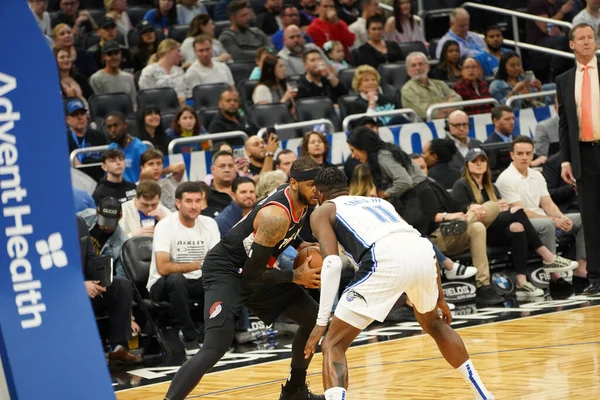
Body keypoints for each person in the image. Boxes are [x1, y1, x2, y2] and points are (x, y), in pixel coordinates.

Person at [303, 167, 495, 400]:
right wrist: (440, 299)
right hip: (423, 253)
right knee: (434, 324)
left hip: (383, 258)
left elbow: (332, 263)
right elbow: (417, 241)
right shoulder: (378, 203)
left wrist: (322, 321)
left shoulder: (322, 210)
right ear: (347, 187)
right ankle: (483, 394)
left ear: (320, 194)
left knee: (333, 343)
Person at [163, 157, 324, 400]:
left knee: (313, 318)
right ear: (293, 184)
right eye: (311, 184)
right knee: (215, 348)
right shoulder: (275, 216)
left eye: (318, 184)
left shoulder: (299, 201)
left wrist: (302, 243)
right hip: (227, 271)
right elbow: (251, 275)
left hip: (256, 269)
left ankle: (295, 392)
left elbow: (283, 236)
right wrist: (295, 276)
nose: (317, 190)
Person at [452, 148, 579, 298]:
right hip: (478, 230)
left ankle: (521, 281)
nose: (479, 164)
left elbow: (501, 210)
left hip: (497, 227)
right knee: (517, 211)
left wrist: (502, 207)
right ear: (467, 165)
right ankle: (548, 256)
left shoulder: (491, 186)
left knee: (517, 227)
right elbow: (462, 211)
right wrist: (487, 207)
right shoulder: (461, 185)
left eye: (482, 160)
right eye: (474, 161)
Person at [496, 136, 587, 292]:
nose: (524, 157)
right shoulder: (505, 179)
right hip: (523, 221)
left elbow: (547, 203)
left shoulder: (537, 175)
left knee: (582, 219)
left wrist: (561, 217)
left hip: (542, 216)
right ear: (512, 155)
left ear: (533, 155)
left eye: (528, 153)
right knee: (547, 224)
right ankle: (555, 277)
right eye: (520, 153)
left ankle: (581, 271)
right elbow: (521, 212)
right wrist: (553, 220)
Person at [147, 182, 220, 349]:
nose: (194, 206)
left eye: (198, 201)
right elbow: (163, 268)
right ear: (178, 203)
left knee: (221, 279)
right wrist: (199, 264)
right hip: (161, 284)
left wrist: (207, 267)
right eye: (189, 201)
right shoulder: (165, 225)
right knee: (176, 279)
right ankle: (189, 334)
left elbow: (216, 260)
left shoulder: (209, 223)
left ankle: (217, 332)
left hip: (195, 280)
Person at [556, 22, 600, 294]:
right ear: (571, 44)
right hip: (583, 154)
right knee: (592, 218)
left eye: (590, 37)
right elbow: (564, 124)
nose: (586, 42)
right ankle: (596, 276)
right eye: (581, 38)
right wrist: (565, 160)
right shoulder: (564, 80)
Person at [347, 126, 436, 236]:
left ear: (363, 147)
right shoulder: (382, 154)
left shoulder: (383, 156)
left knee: (415, 239)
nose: (353, 155)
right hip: (419, 198)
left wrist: (385, 194)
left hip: (419, 200)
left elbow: (404, 182)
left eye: (353, 150)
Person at [75, 214, 140, 364]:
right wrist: (79, 285)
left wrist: (100, 279)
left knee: (121, 285)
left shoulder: (78, 221)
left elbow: (90, 256)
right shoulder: (46, 227)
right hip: (61, 290)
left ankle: (118, 347)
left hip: (85, 282)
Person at [401, 52, 462, 120]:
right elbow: (422, 112)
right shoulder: (407, 89)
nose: (418, 68)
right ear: (408, 71)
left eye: (420, 64)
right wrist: (447, 104)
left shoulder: (440, 84)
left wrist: (434, 106)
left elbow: (458, 100)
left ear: (428, 67)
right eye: (413, 65)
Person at [79, 196, 129, 277]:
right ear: (97, 213)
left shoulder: (123, 243)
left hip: (95, 276)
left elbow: (121, 276)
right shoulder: (85, 216)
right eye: (103, 220)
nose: (106, 226)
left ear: (120, 217)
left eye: (110, 222)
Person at [526, 0, 573, 81]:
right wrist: (562, 11)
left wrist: (561, 31)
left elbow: (558, 29)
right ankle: (554, 75)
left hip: (554, 39)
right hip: (538, 43)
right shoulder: (537, 3)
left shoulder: (557, 4)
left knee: (567, 40)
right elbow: (545, 26)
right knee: (563, 40)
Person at [489, 52, 555, 109]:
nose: (516, 68)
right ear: (503, 67)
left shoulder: (525, 80)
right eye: (512, 66)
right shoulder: (496, 85)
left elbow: (543, 103)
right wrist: (514, 91)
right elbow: (499, 107)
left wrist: (539, 89)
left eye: (518, 65)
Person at [138, 38, 188, 105]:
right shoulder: (149, 72)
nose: (181, 55)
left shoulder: (179, 71)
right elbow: (146, 97)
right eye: (178, 51)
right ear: (169, 51)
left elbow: (186, 92)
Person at [89, 40, 137, 109]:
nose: (114, 57)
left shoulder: (128, 77)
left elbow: (134, 103)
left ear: (120, 54)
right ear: (103, 57)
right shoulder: (96, 79)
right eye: (109, 54)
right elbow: (98, 105)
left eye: (116, 53)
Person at [106, 111, 149, 183]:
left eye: (116, 125)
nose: (112, 130)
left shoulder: (140, 148)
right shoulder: (110, 149)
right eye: (109, 127)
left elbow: (148, 175)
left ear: (125, 125)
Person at [65, 99, 107, 165]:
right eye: (75, 114)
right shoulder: (63, 140)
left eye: (82, 113)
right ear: (67, 120)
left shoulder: (100, 137)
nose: (79, 117)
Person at [204, 150, 236, 216]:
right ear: (213, 169)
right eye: (222, 166)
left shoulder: (244, 189)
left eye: (230, 166)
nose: (227, 170)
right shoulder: (206, 195)